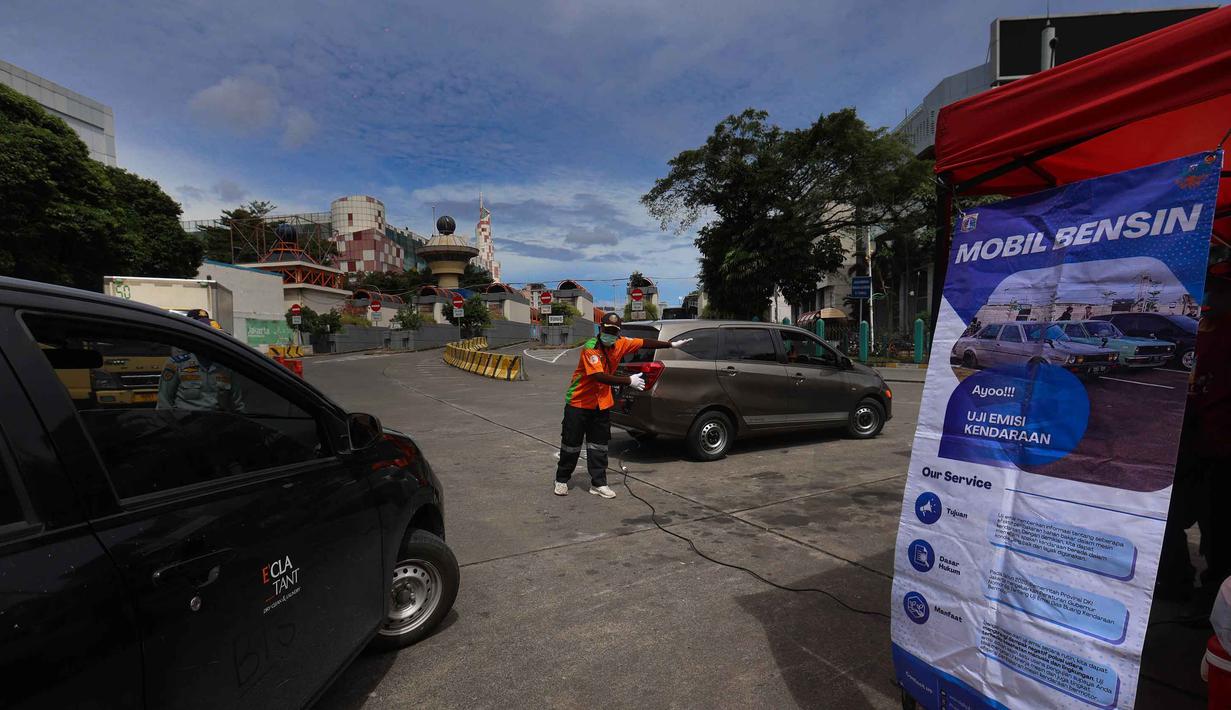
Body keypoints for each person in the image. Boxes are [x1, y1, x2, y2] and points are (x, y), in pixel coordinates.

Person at [554, 312, 689, 498]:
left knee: (599, 446)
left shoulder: (621, 343)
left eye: (614, 331)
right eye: (607, 330)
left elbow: (644, 342)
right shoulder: (591, 348)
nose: (610, 334)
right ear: (600, 329)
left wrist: (670, 344)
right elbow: (597, 376)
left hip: (601, 405)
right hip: (578, 402)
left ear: (618, 333)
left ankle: (598, 483)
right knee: (571, 444)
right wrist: (628, 380)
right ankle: (562, 479)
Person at [157, 311, 244, 412]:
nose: (214, 343)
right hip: (186, 424)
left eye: (218, 339)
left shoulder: (227, 368)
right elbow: (164, 404)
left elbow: (238, 405)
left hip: (219, 424)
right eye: (209, 338)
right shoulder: (176, 364)